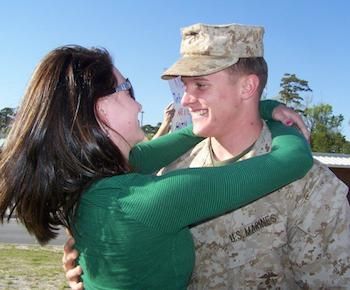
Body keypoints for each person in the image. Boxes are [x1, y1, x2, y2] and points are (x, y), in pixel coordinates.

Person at [63, 23, 350, 289]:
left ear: (247, 87)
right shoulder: (171, 168)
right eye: (184, 86)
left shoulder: (311, 187)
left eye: (200, 85)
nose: (185, 100)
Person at [0, 46, 312, 290]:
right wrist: (280, 120)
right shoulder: (147, 202)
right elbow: (291, 160)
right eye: (128, 89)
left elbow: (187, 134)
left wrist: (259, 106)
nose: (139, 105)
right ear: (101, 108)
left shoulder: (90, 182)